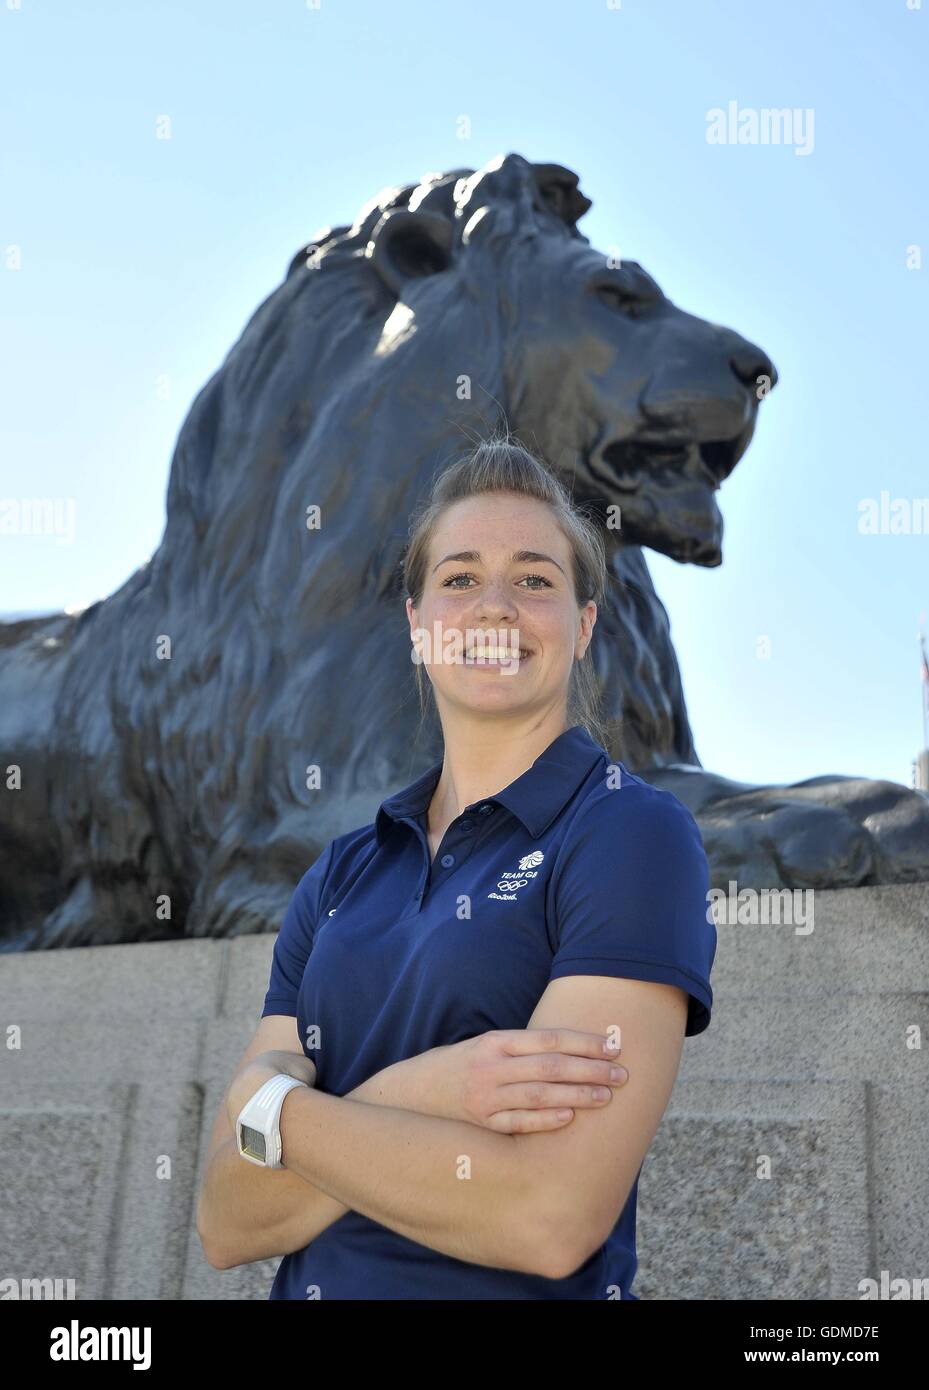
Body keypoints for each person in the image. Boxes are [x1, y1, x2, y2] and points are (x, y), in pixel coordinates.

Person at [196, 432, 716, 1299]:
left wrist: (274, 1109)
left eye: (536, 579)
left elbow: (545, 1215)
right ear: (416, 625)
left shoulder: (631, 834)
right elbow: (224, 1219)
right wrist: (430, 1088)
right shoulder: (340, 874)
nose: (495, 607)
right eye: (461, 577)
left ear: (583, 625)